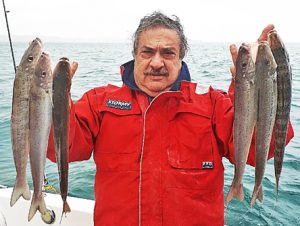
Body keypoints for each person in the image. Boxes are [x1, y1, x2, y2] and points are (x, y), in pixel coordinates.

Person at [47, 11, 294, 226]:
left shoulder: (213, 105)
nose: (157, 62)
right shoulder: (99, 103)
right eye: (147, 52)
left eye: (168, 53)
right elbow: (64, 149)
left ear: (180, 59)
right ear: (135, 55)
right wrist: (52, 100)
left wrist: (262, 85)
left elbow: (258, 150)